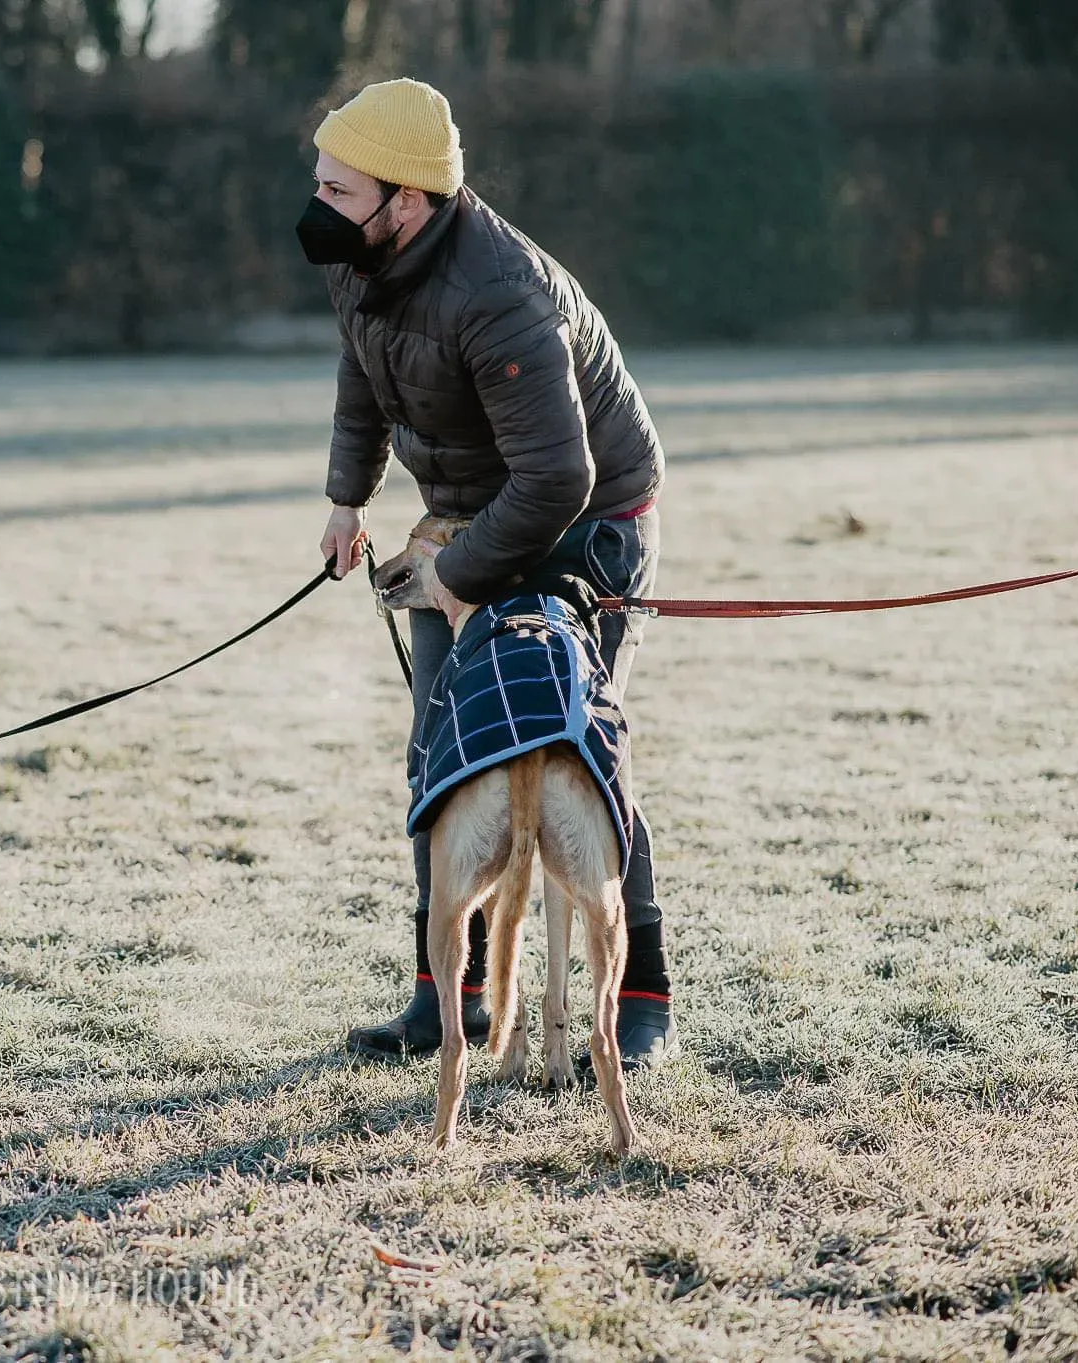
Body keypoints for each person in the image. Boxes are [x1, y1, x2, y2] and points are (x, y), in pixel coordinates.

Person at [297, 78, 676, 1069]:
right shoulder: (362, 257)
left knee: (576, 753)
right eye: (318, 180)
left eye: (338, 190)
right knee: (437, 748)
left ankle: (638, 995)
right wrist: (347, 498)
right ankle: (444, 997)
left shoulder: (497, 293)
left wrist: (456, 573)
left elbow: (559, 474)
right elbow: (359, 371)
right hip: (466, 504)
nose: (316, 204)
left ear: (407, 202)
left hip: (584, 517)